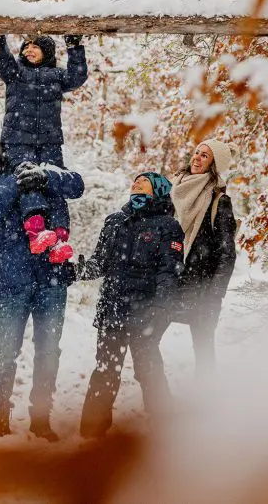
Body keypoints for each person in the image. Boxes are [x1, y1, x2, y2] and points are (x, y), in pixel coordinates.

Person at [0, 133, 85, 440]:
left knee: (49, 352)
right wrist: (14, 183)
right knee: (5, 353)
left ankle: (41, 419)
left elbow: (76, 185)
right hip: (9, 284)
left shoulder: (35, 167)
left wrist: (43, 176)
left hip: (50, 278)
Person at [77, 172, 184, 439]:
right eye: (134, 180)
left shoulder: (168, 225)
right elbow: (99, 263)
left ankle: (166, 433)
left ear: (158, 189)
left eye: (144, 180)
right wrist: (75, 270)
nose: (136, 183)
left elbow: (169, 272)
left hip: (145, 313)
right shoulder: (114, 221)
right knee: (105, 372)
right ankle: (91, 435)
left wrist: (161, 308)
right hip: (112, 309)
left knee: (148, 372)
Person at [0, 34, 88, 263]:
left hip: (49, 141)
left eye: (36, 46)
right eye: (26, 46)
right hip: (17, 140)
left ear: (48, 52)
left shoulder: (56, 76)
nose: (29, 50)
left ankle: (60, 239)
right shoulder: (16, 73)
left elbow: (77, 76)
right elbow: (2, 59)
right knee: (29, 180)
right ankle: (37, 231)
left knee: (54, 182)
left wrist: (74, 47)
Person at [168, 140, 238, 375]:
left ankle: (205, 399)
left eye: (205, 156)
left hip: (201, 289)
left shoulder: (219, 201)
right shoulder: (173, 191)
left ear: (214, 165)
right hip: (168, 280)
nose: (197, 158)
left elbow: (227, 253)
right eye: (197, 153)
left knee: (203, 348)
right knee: (145, 342)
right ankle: (157, 400)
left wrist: (214, 295)